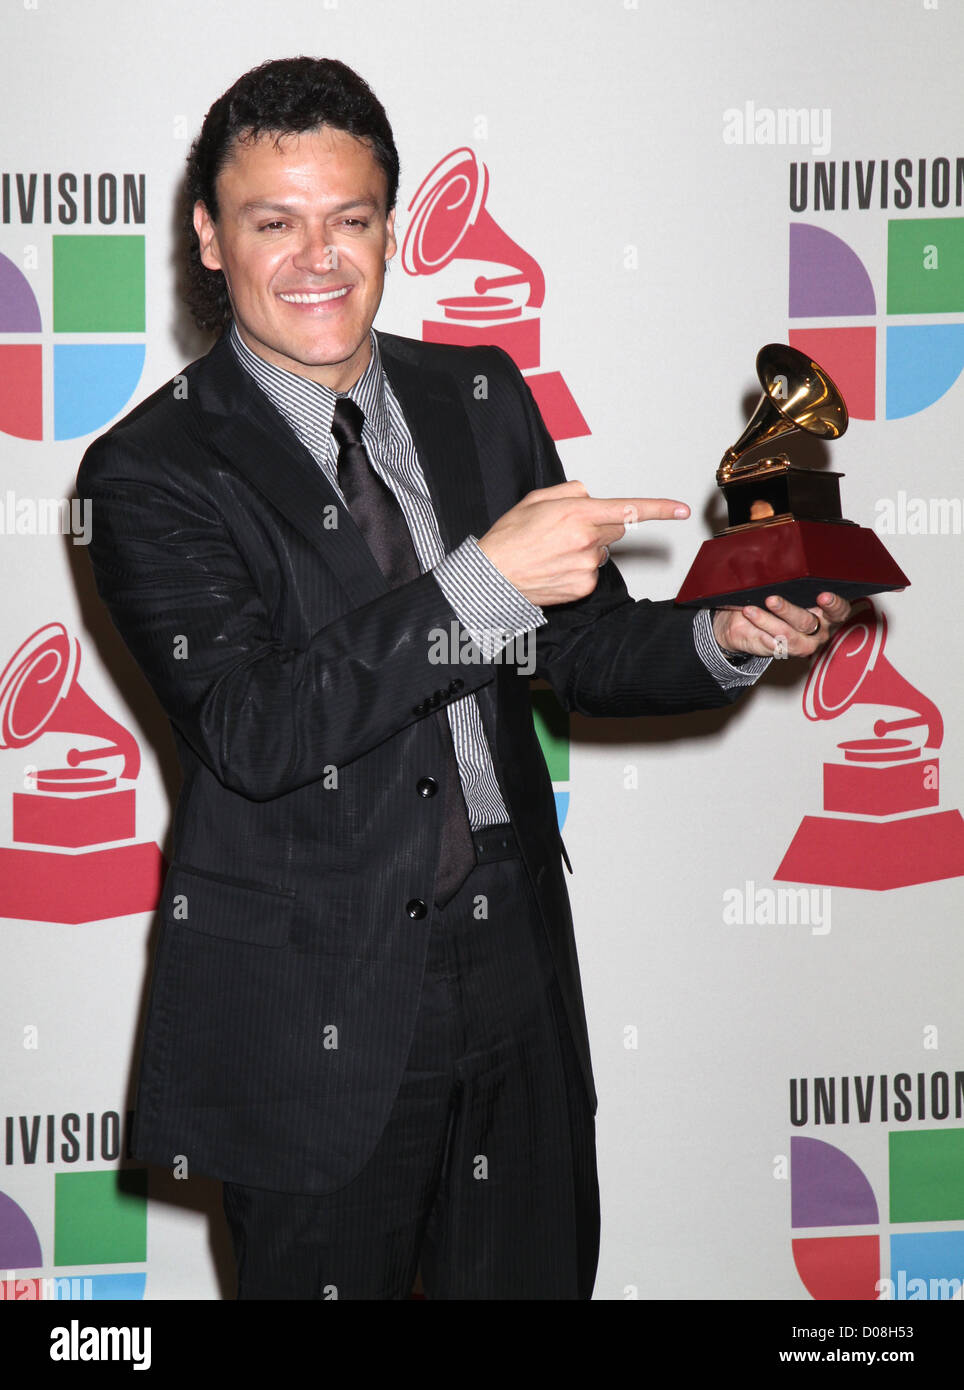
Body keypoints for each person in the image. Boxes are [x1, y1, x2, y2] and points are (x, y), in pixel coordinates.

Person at [76, 56, 851, 1300]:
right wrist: (481, 577)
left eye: (351, 218)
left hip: (514, 972)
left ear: (390, 225)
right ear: (209, 238)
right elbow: (259, 725)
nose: (318, 256)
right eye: (274, 221)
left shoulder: (477, 394)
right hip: (313, 1003)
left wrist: (730, 637)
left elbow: (582, 648)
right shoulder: (148, 470)